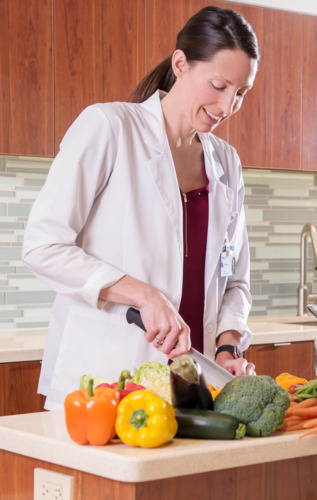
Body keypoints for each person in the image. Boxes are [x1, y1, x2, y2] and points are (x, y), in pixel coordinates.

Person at [22, 5, 259, 410]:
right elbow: (43, 248)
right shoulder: (108, 128)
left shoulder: (227, 162)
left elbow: (234, 281)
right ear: (180, 64)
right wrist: (144, 296)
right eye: (218, 85)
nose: (227, 107)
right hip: (104, 383)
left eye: (240, 92)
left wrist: (227, 349)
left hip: (191, 385)